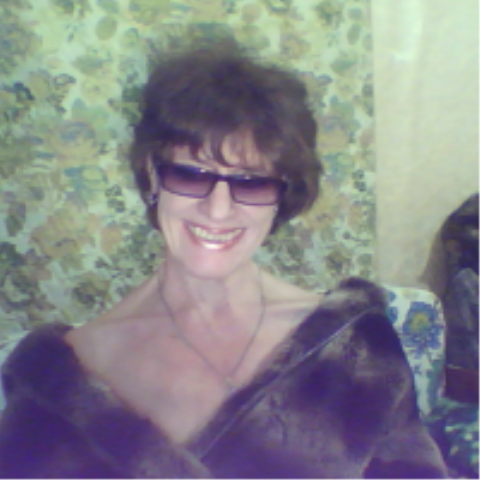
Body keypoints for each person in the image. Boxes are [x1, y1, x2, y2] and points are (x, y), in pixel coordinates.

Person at [0, 42, 447, 478]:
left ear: (282, 194)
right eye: (191, 175)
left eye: (251, 183)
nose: (217, 210)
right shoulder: (61, 384)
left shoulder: (352, 345)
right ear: (153, 175)